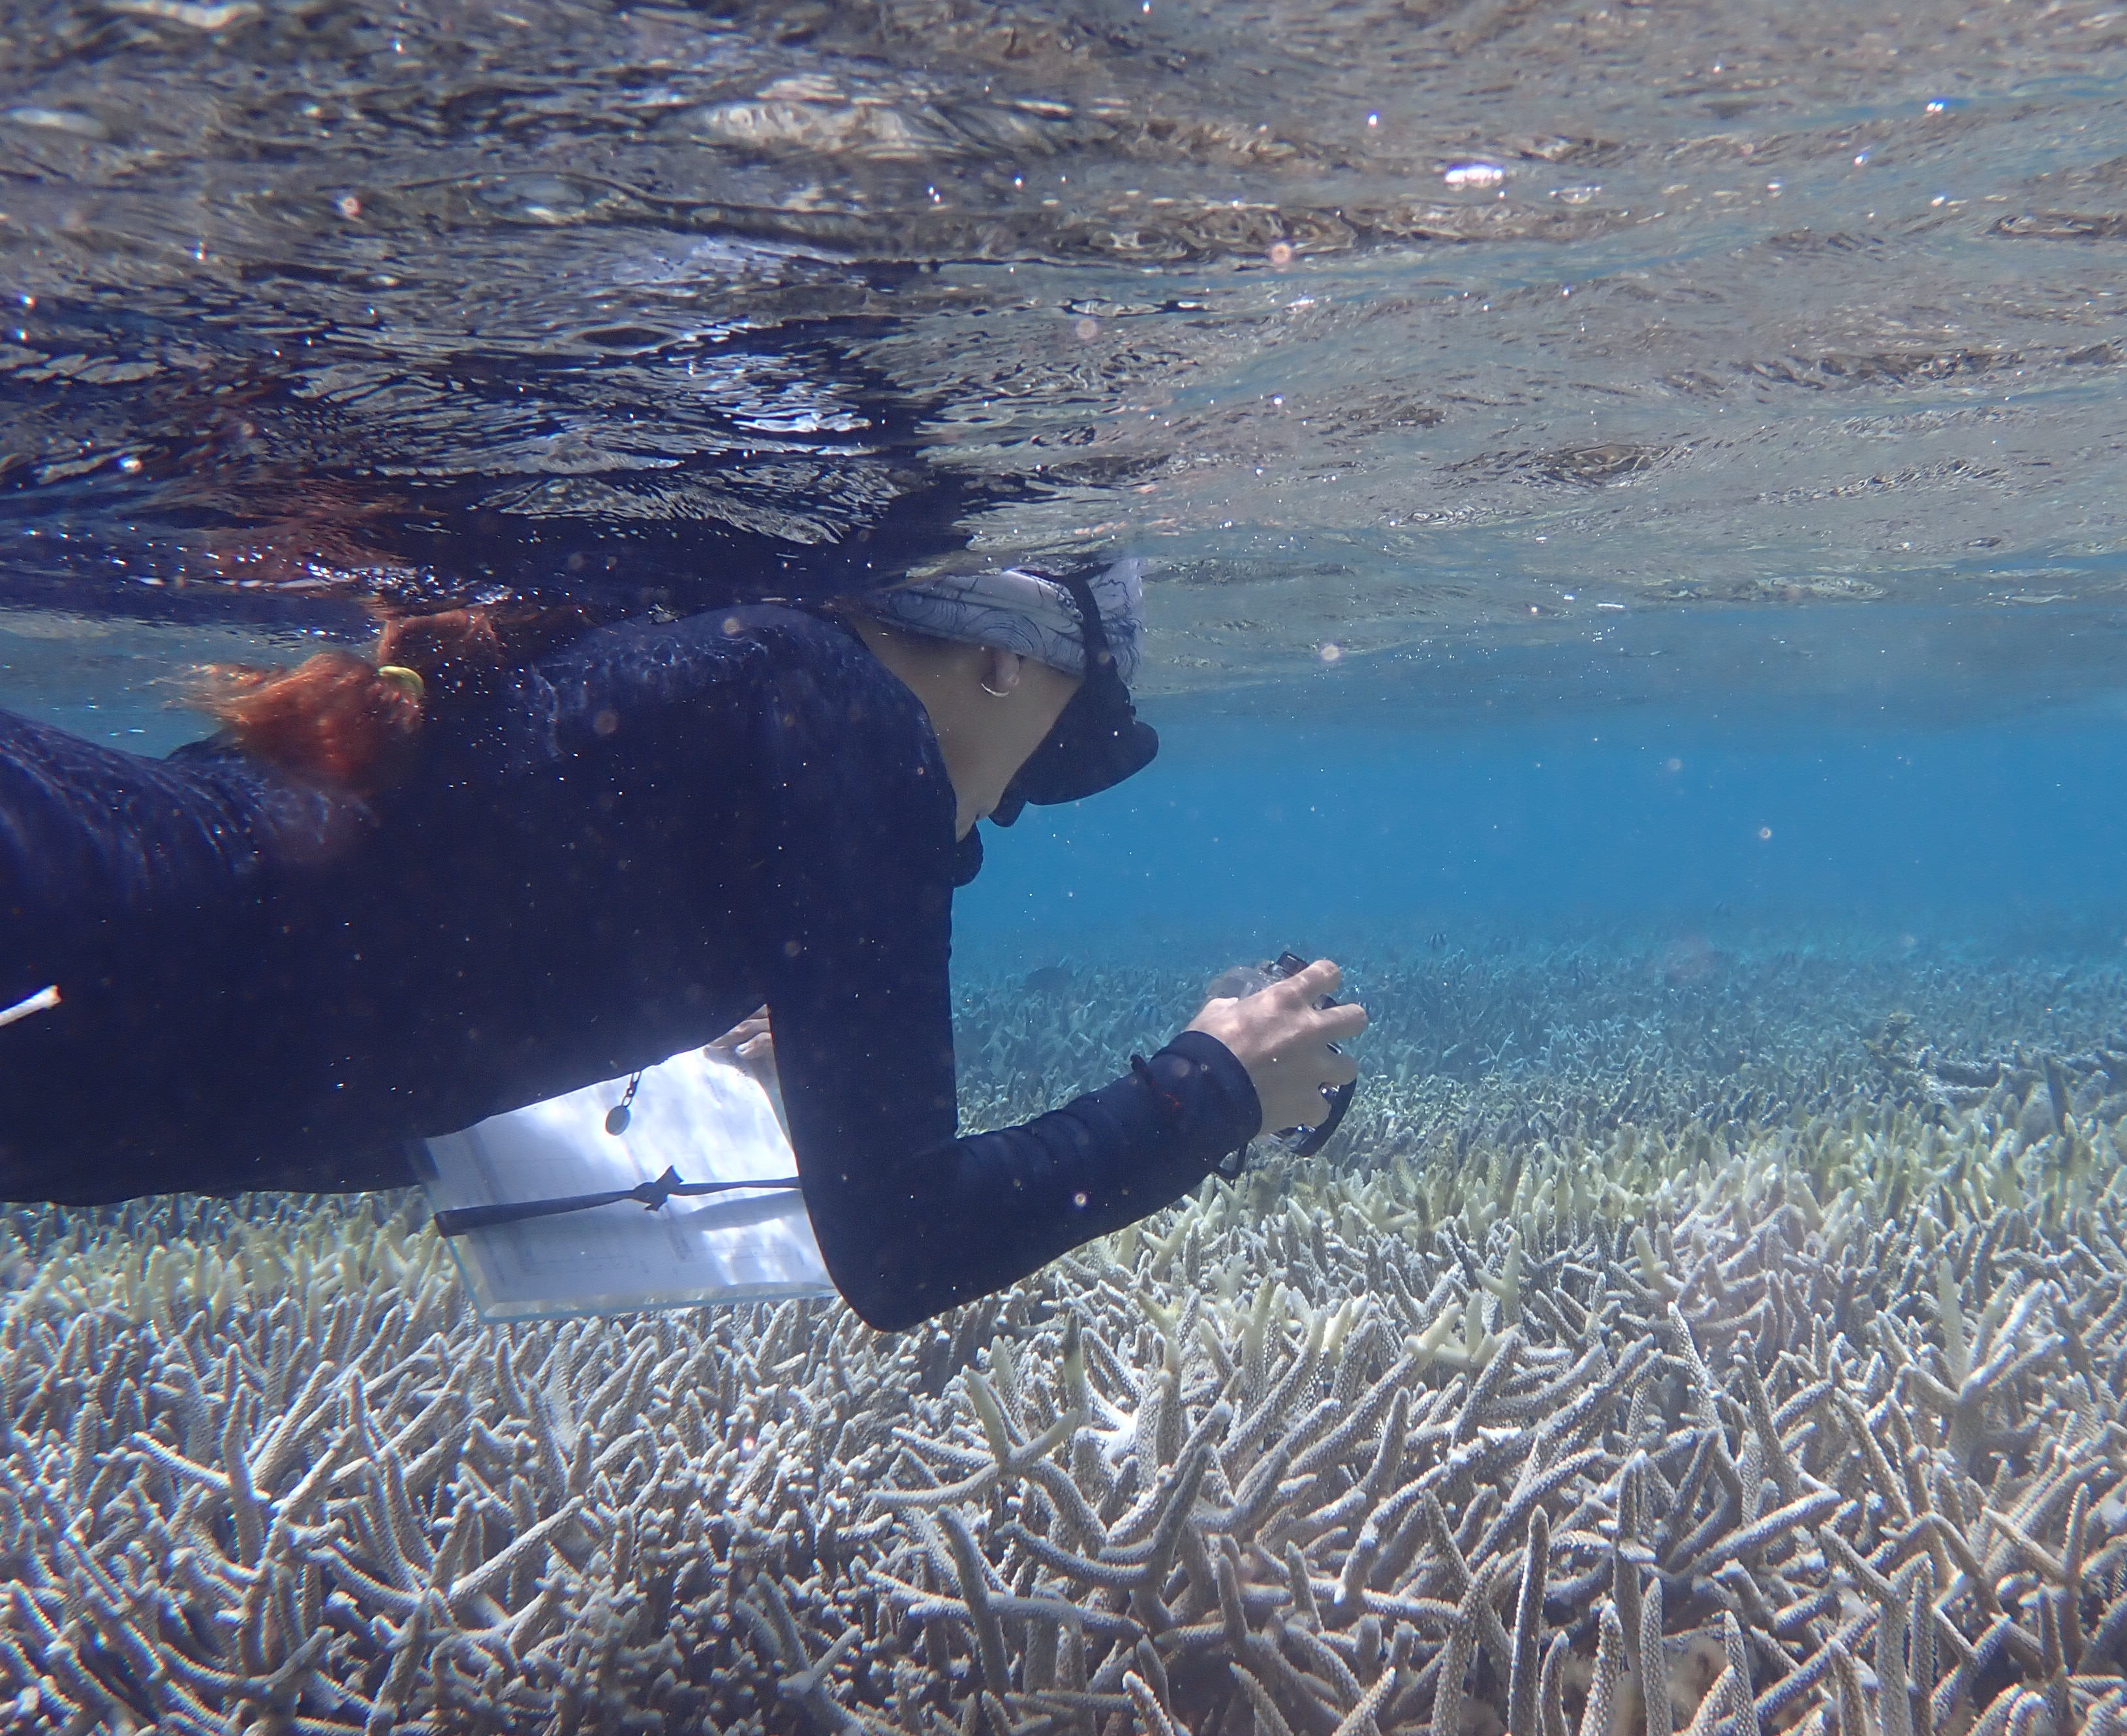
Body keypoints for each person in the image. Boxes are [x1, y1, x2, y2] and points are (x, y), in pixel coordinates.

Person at [0, 561, 1364, 1329]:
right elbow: (904, 1250)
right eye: (1051, 754)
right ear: (1006, 657)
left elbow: (364, 1021)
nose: (1011, 802)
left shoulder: (743, 698)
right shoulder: (843, 720)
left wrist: (681, 1080)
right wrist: (1215, 1082)